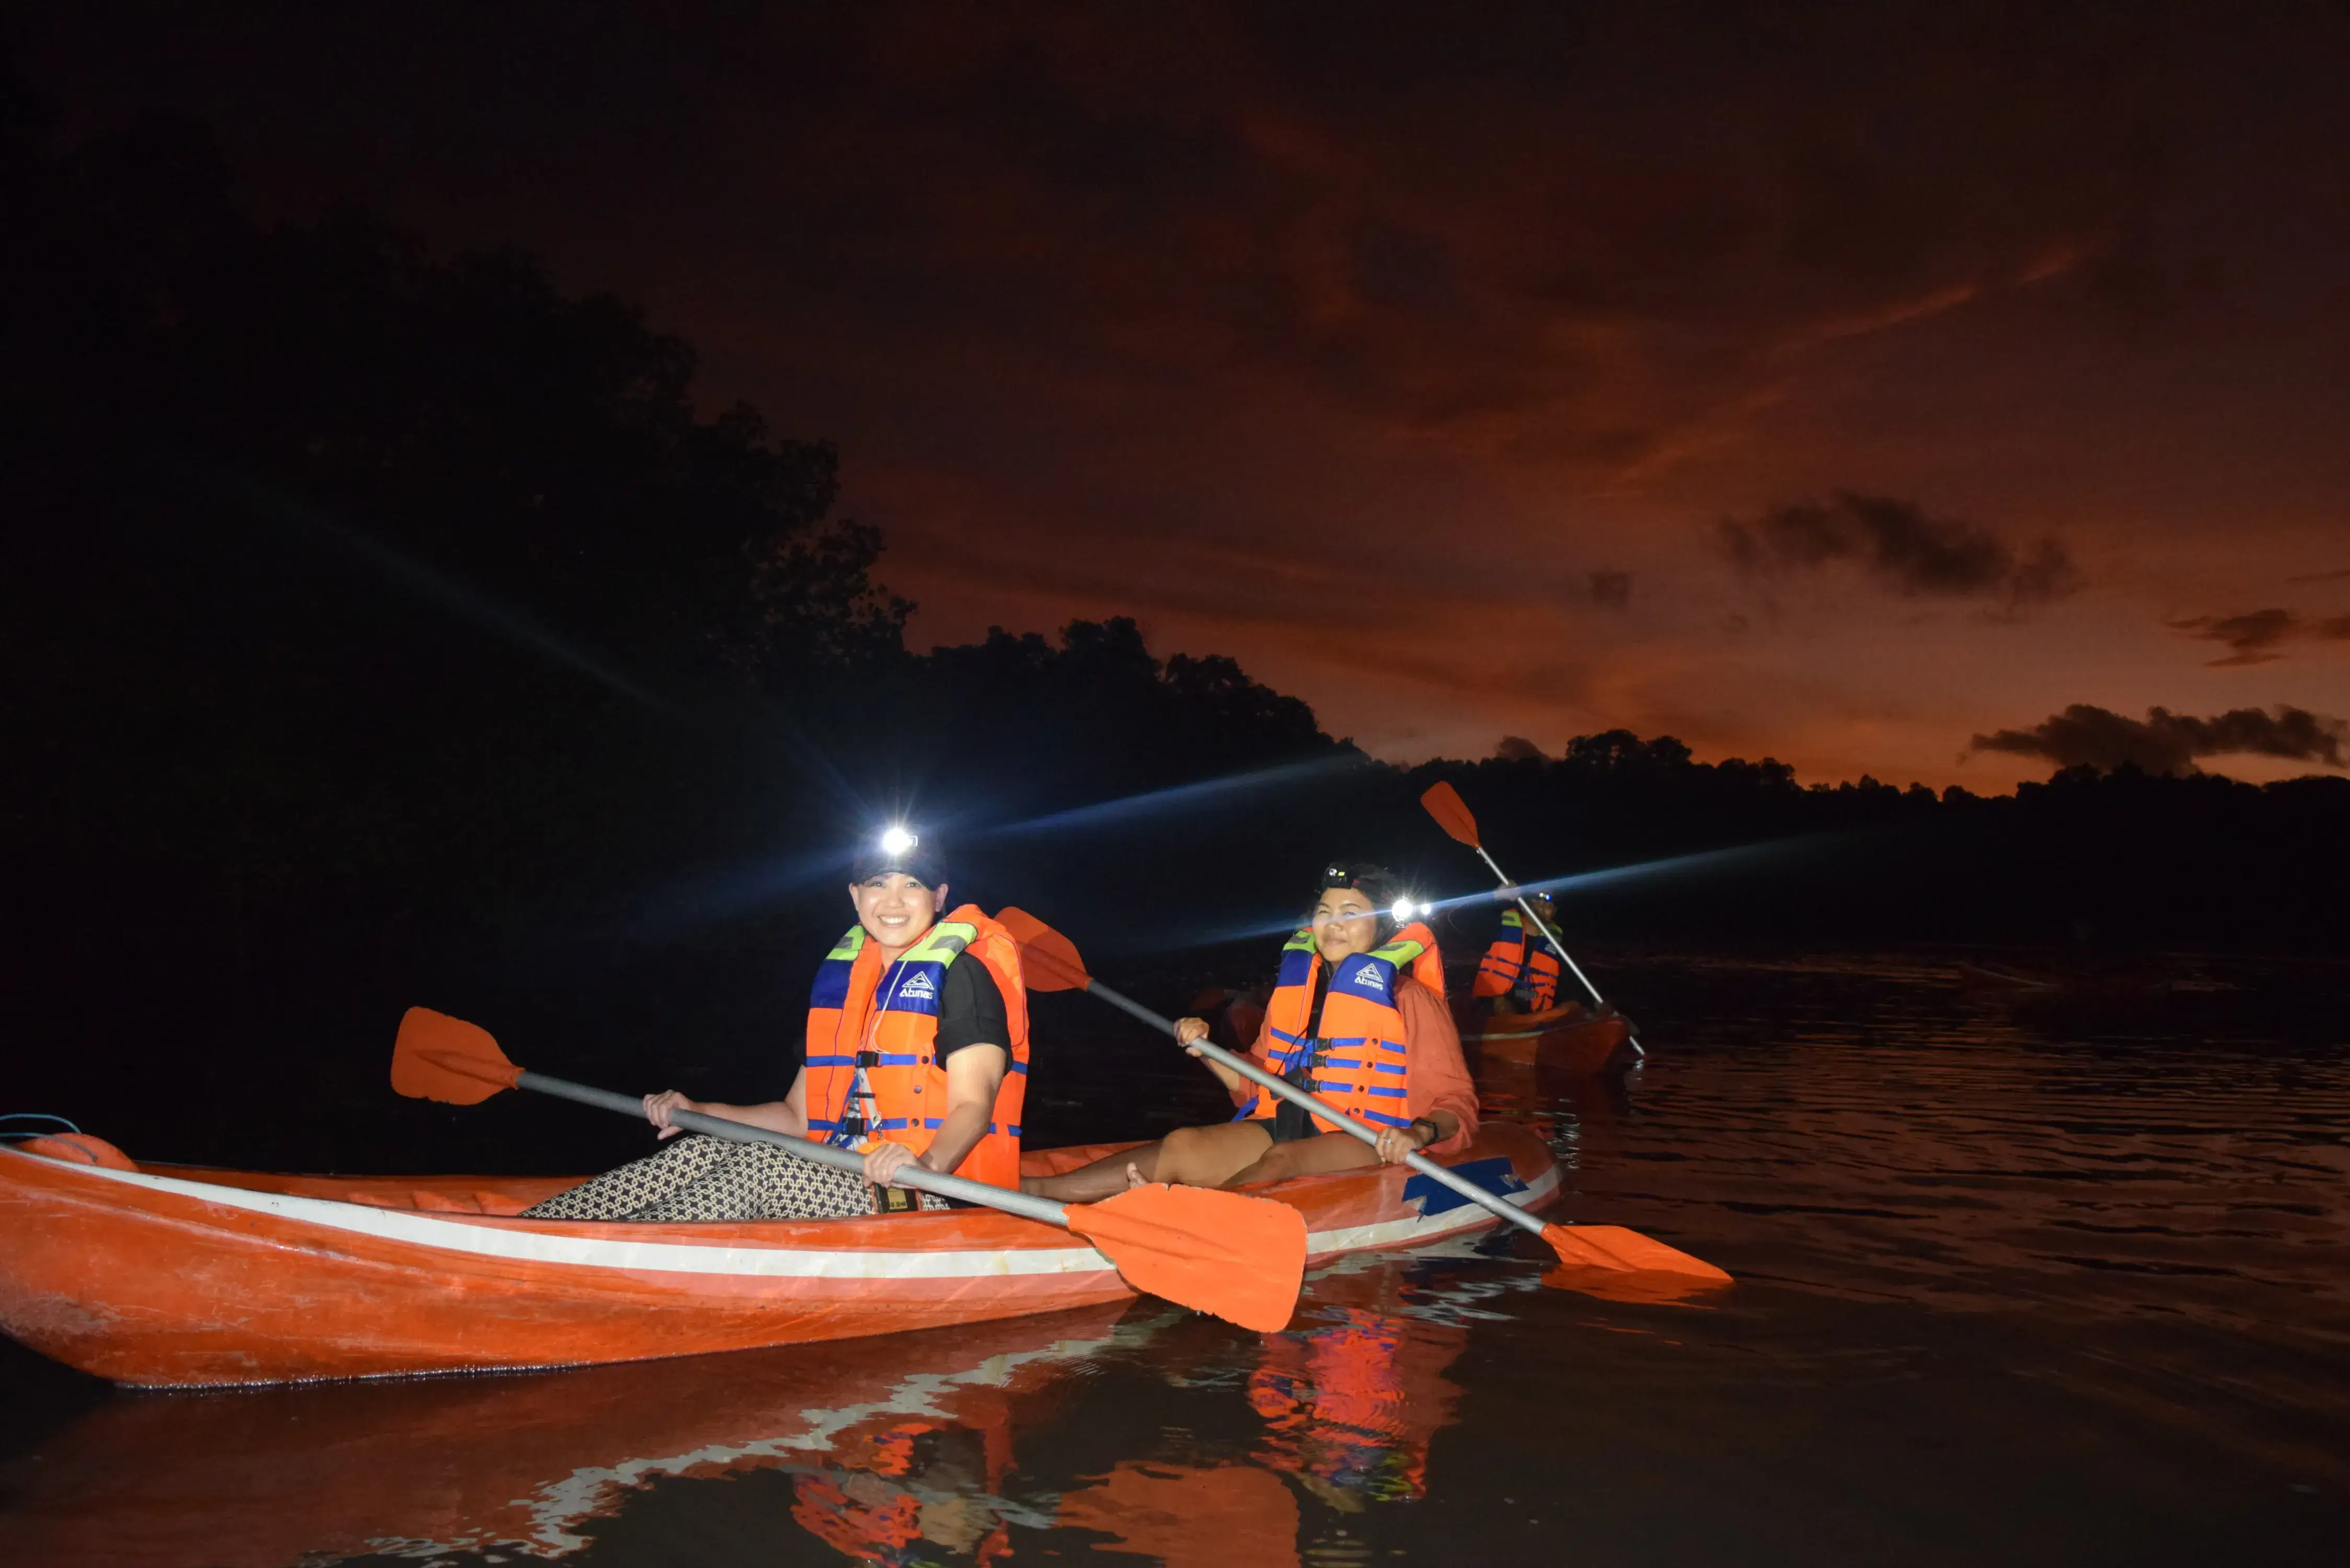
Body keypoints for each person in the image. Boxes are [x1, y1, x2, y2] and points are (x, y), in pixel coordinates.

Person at [523, 831, 1027, 1221]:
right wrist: (698, 1110)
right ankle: (537, 1230)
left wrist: (927, 1165)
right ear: (855, 896)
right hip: (844, 1177)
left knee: (761, 1168)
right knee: (709, 1146)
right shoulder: (851, 984)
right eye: (878, 883)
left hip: (931, 1194)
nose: (893, 901)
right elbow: (796, 1116)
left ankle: (607, 1256)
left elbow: (973, 1107)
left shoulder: (963, 976)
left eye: (911, 884)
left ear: (939, 896)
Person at [1022, 862, 1478, 1203]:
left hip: (1368, 1140)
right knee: (1184, 1142)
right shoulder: (1296, 994)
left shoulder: (1411, 998)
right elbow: (1254, 1085)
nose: (1333, 923)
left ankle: (1187, 1221)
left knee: (1284, 1161)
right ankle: (1035, 1192)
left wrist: (1418, 1135)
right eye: (1324, 911)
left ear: (1381, 927)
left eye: (1351, 912)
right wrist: (1206, 1050)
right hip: (1287, 1126)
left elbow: (1455, 1102)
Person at [1470, 896, 1563, 1015]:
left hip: (1533, 1013)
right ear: (1524, 906)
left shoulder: (1556, 946)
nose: (1541, 907)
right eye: (1536, 901)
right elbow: (1460, 919)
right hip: (1490, 1006)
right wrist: (1496, 897)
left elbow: (1567, 984)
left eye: (1548, 906)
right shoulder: (1497, 928)